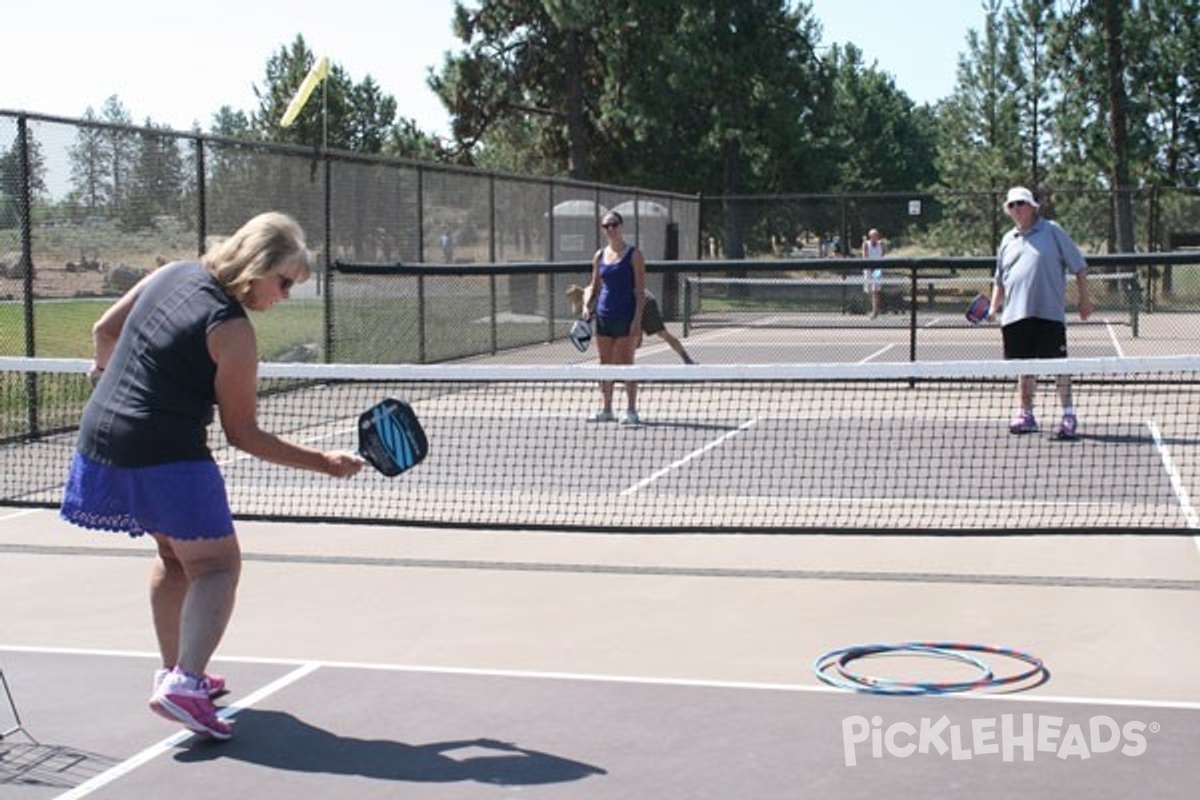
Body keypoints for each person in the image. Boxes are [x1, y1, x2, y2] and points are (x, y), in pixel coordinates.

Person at [59, 212, 365, 740]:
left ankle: (175, 670)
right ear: (256, 267)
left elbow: (103, 330)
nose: (285, 296)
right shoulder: (232, 331)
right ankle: (186, 683)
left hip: (103, 438)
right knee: (218, 566)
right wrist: (324, 462)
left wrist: (107, 380)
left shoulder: (172, 273)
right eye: (285, 283)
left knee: (175, 557)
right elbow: (243, 434)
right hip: (166, 452)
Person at [989, 187, 1093, 440]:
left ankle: (1068, 414)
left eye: (1021, 204)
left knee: (1058, 366)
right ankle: (1026, 414)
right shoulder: (1007, 239)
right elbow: (999, 280)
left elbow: (1079, 266)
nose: (1016, 209)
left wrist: (1085, 300)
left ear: (1033, 206)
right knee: (1025, 368)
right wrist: (993, 307)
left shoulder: (1052, 230)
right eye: (1011, 205)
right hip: (1015, 315)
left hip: (1048, 314)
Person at [582, 210, 645, 424]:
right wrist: (586, 303)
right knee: (605, 363)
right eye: (606, 226)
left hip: (625, 317)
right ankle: (607, 409)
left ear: (621, 226)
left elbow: (640, 291)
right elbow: (595, 285)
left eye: (614, 225)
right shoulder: (599, 256)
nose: (610, 229)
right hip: (603, 317)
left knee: (626, 364)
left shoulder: (634, 255)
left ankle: (631, 410)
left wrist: (637, 322)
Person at [565, 284, 695, 364]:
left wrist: (585, 307)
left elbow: (588, 291)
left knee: (661, 333)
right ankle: (620, 369)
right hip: (629, 309)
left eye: (579, 304)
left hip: (643, 300)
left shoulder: (590, 292)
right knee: (631, 342)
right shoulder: (596, 309)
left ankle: (687, 359)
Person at [861, 228, 886, 319]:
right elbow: (865, 255)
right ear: (870, 236)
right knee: (870, 290)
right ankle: (873, 308)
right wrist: (869, 266)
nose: (875, 237)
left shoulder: (881, 244)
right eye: (873, 236)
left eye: (877, 235)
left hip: (877, 269)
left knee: (875, 290)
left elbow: (883, 254)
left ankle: (875, 310)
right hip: (868, 269)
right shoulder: (866, 244)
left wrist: (878, 266)